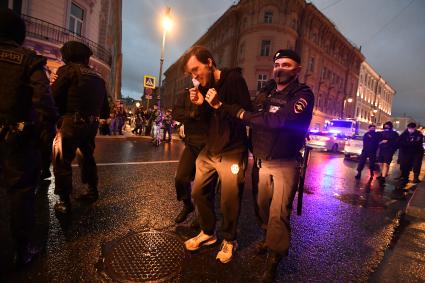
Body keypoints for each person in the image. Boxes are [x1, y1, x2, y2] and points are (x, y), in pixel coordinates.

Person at [210, 49, 314, 281]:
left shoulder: (302, 94)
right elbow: (252, 114)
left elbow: (278, 121)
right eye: (277, 64)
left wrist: (240, 113)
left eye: (286, 64)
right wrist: (226, 109)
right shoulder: (265, 92)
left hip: (285, 164)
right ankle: (268, 239)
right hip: (260, 161)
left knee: (278, 213)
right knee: (261, 208)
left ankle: (274, 256)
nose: (280, 68)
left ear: (297, 70)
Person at [183, 46, 252, 263]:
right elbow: (205, 122)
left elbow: (245, 116)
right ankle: (208, 232)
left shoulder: (234, 81)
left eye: (196, 70)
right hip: (210, 148)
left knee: (229, 199)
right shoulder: (204, 87)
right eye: (191, 74)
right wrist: (200, 105)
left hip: (232, 150)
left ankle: (230, 239)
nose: (194, 76)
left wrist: (218, 105)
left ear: (210, 62)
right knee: (198, 192)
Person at [0, 9, 58, 266]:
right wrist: (47, 128)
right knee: (21, 192)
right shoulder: (27, 59)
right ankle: (21, 251)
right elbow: (43, 98)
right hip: (15, 137)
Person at [51, 41, 110, 214]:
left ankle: (64, 201)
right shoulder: (98, 77)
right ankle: (92, 191)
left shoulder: (68, 71)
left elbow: (53, 98)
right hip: (91, 125)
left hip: (70, 123)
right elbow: (105, 109)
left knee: (61, 160)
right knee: (87, 157)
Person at [172, 81, 212, 225]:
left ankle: (200, 215)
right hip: (191, 144)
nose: (196, 78)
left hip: (208, 146)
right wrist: (191, 114)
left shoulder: (210, 93)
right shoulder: (185, 94)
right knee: (180, 178)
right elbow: (176, 113)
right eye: (193, 75)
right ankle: (187, 205)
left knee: (203, 185)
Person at [398, 122, 424, 187]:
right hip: (406, 152)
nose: (410, 130)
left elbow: (417, 143)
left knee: (416, 165)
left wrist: (408, 143)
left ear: (415, 128)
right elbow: (399, 141)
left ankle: (415, 178)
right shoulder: (404, 133)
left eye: (412, 128)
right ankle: (405, 177)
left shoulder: (419, 134)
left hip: (416, 152)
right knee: (405, 165)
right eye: (409, 128)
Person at [377, 121, 399, 186]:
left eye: (388, 126)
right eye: (385, 125)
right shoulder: (381, 133)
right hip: (381, 150)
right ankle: (382, 174)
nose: (386, 127)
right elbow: (377, 140)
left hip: (389, 150)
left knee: (386, 164)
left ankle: (383, 178)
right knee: (380, 163)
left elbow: (396, 142)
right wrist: (380, 142)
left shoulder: (394, 133)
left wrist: (390, 143)